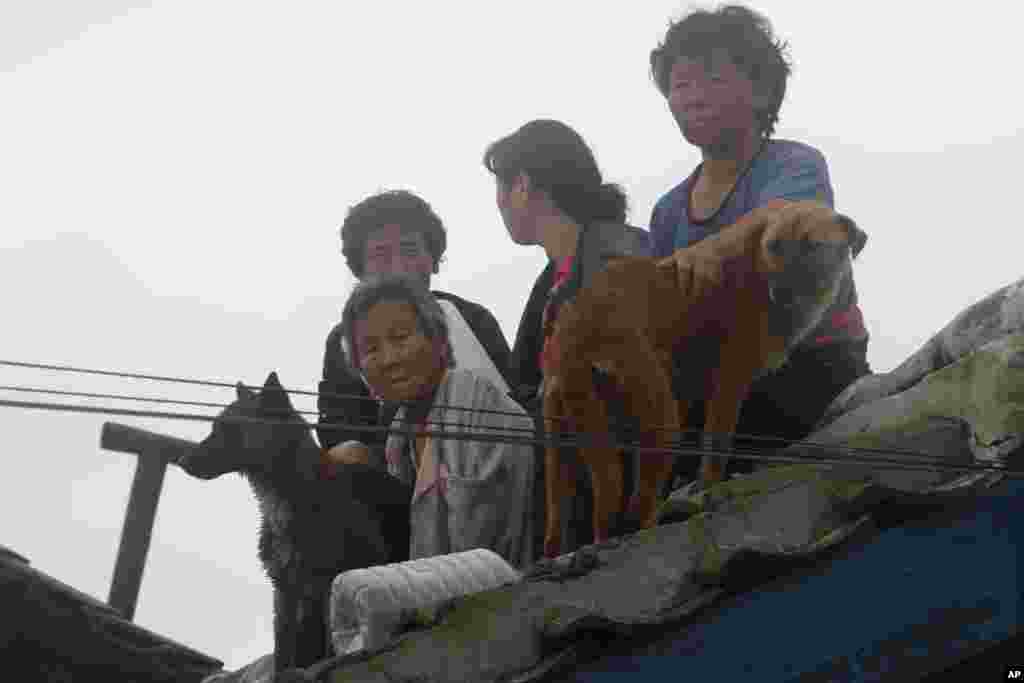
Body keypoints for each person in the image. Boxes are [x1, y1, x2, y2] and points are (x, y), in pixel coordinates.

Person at [647, 5, 871, 485]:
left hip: (811, 366)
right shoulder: (667, 212)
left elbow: (782, 222)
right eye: (677, 84)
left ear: (762, 91)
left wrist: (702, 257)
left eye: (707, 77)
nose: (687, 94)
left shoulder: (793, 165)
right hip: (717, 380)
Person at [482, 118, 651, 554]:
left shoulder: (617, 253)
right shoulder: (550, 284)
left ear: (522, 185)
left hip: (622, 484)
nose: (498, 206)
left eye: (501, 190)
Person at [338, 274, 536, 570]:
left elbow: (482, 544)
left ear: (440, 341)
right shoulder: (398, 438)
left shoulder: (476, 401)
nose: (389, 358)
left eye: (401, 338)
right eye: (371, 349)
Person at [316, 190, 514, 467]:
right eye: (381, 254)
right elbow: (338, 433)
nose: (397, 266)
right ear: (359, 268)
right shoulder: (342, 341)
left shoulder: (473, 317)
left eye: (409, 250)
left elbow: (518, 395)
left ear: (432, 259)